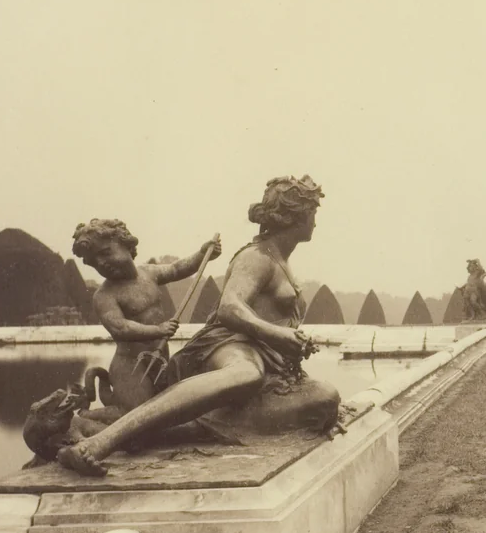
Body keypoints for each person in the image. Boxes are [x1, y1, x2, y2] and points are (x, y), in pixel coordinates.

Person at [58, 175, 338, 476]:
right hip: (230, 345)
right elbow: (229, 308)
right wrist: (277, 333)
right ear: (295, 215)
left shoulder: (280, 259)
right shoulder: (256, 258)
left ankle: (153, 429)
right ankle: (101, 442)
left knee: (325, 398)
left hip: (267, 360)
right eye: (312, 212)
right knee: (247, 374)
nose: (315, 221)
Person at [71, 218, 221, 411]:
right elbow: (120, 327)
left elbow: (177, 268)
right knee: (137, 415)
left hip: (160, 360)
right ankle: (87, 418)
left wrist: (202, 254)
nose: (102, 263)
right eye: (94, 262)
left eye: (105, 253)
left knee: (168, 412)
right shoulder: (104, 295)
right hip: (131, 367)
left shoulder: (148, 273)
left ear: (126, 245)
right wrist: (157, 330)